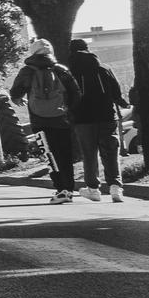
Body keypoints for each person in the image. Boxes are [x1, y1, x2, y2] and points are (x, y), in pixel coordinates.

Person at [10, 40, 81, 203]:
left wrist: (18, 98)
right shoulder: (62, 70)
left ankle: (60, 189)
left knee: (49, 155)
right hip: (62, 121)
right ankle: (69, 190)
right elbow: (76, 94)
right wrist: (67, 110)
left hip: (39, 123)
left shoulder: (26, 72)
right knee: (65, 155)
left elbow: (15, 92)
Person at [66, 39, 128, 203]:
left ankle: (93, 189)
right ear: (88, 50)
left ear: (71, 52)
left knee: (89, 154)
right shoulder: (104, 68)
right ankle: (115, 188)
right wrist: (122, 103)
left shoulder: (69, 71)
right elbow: (116, 92)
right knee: (111, 153)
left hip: (83, 118)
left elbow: (66, 95)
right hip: (107, 116)